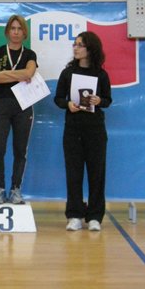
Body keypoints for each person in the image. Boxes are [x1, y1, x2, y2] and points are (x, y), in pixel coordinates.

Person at [54, 31, 112, 231]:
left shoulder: (101, 74)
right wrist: (67, 104)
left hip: (95, 130)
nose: (76, 48)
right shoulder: (67, 73)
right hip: (73, 130)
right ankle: (75, 214)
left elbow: (108, 100)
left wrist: (99, 101)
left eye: (80, 45)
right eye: (74, 44)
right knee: (74, 173)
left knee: (97, 174)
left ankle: (95, 216)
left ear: (90, 49)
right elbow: (58, 98)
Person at [0, 15, 38, 204]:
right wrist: (18, 75)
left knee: (20, 149)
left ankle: (16, 189)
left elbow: (29, 73)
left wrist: (5, 75)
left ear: (24, 32)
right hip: (1, 104)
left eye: (19, 29)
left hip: (23, 106)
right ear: (7, 31)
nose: (16, 32)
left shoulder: (30, 55)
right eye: (13, 28)